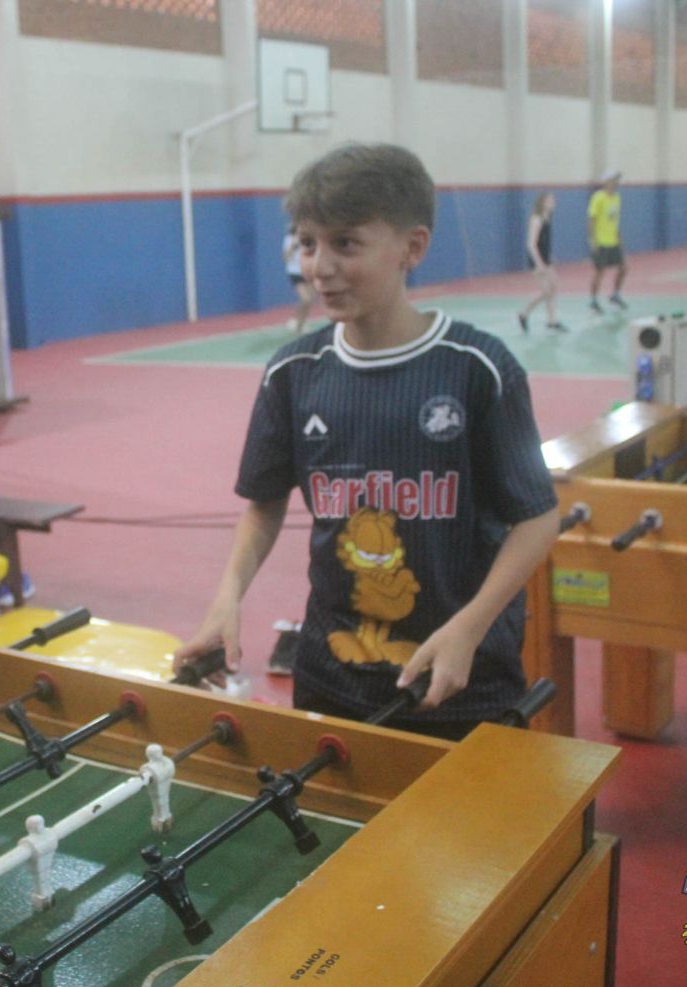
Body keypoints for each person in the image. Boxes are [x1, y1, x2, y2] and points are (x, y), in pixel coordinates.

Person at [174, 144, 560, 740]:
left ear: (413, 247)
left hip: (459, 682)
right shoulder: (293, 373)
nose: (319, 267)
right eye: (308, 243)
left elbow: (537, 517)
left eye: (346, 244)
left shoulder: (478, 368)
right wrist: (227, 599)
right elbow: (264, 504)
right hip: (331, 679)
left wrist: (469, 628)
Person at [518, 192, 566, 333]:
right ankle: (524, 313)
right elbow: (531, 244)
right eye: (550, 200)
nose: (553, 202)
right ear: (542, 202)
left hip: (545, 259)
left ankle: (552, 321)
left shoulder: (547, 218)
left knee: (553, 287)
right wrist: (539, 264)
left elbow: (544, 242)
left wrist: (549, 257)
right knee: (546, 291)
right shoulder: (536, 219)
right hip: (537, 260)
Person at [587, 169, 629, 315]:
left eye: (617, 180)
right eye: (613, 180)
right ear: (606, 182)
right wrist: (593, 241)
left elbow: (615, 220)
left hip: (613, 241)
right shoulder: (598, 198)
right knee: (600, 272)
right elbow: (591, 220)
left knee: (624, 268)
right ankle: (593, 301)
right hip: (601, 242)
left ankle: (615, 295)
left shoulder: (617, 198)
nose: (616, 183)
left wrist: (619, 238)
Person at [282, 225, 315, 335]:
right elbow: (286, 257)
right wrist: (294, 245)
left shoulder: (308, 238)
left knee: (309, 299)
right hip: (294, 272)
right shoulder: (289, 239)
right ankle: (298, 324)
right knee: (306, 299)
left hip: (306, 271)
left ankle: (299, 321)